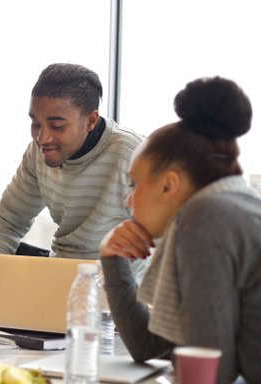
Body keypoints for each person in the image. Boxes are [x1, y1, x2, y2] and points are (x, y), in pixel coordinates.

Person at [0, 63, 149, 329]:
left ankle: (5, 326)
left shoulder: (132, 154)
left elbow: (158, 245)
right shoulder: (38, 152)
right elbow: (7, 222)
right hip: (57, 273)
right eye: (35, 123)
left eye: (57, 126)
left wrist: (110, 299)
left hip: (104, 290)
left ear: (91, 120)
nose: (42, 137)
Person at [99, 76, 260, 384]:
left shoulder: (206, 217)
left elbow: (211, 373)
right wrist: (113, 259)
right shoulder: (233, 206)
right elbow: (151, 347)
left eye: (134, 183)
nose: (128, 199)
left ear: (168, 185)